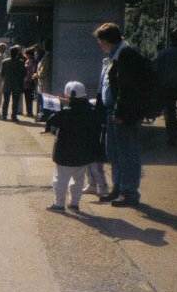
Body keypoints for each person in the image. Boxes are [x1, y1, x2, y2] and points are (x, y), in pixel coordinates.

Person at [94, 22, 143, 207]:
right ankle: (118, 188)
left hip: (123, 114)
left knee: (127, 153)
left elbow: (127, 88)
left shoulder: (125, 55)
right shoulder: (112, 57)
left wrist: (120, 112)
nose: (100, 45)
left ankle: (129, 192)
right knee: (114, 152)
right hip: (112, 111)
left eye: (101, 41)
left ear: (107, 40)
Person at [44, 81, 101, 212]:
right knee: (78, 180)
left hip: (64, 154)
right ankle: (74, 203)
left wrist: (56, 108)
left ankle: (59, 204)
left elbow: (51, 122)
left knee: (60, 180)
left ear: (68, 96)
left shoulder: (64, 112)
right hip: (83, 154)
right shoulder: (91, 112)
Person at [0, 45, 26, 121]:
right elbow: (24, 73)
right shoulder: (21, 62)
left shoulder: (4, 62)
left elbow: (1, 73)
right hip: (17, 85)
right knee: (15, 102)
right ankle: (14, 116)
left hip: (7, 84)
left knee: (6, 101)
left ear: (9, 53)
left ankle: (4, 116)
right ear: (17, 53)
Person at [34, 38, 52, 121]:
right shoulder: (46, 55)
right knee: (43, 99)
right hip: (42, 81)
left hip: (44, 81)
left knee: (44, 99)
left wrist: (37, 75)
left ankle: (44, 115)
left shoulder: (48, 56)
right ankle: (43, 114)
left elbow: (44, 70)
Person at [23, 46, 37, 117]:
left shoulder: (31, 61)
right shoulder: (30, 61)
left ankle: (29, 112)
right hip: (28, 80)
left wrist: (27, 80)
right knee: (28, 97)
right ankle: (29, 111)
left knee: (28, 97)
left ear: (28, 54)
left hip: (28, 81)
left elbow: (30, 72)